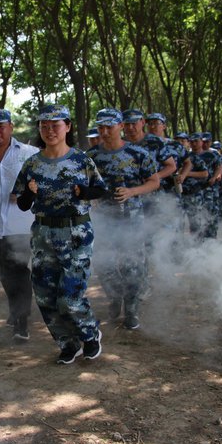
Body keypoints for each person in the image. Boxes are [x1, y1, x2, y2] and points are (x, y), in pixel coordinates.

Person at [13, 104, 105, 365]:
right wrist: (30, 192)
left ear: (68, 127)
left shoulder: (81, 160)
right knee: (45, 293)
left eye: (55, 125)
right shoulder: (32, 163)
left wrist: (84, 193)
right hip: (43, 233)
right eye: (44, 126)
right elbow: (22, 203)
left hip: (76, 231)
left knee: (70, 294)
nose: (49, 130)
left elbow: (100, 189)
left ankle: (89, 334)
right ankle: (67, 343)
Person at [87, 108, 160, 329]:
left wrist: (132, 192)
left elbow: (154, 181)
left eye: (110, 126)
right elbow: (82, 186)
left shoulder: (138, 154)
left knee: (132, 265)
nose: (105, 131)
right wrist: (92, 198)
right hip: (102, 220)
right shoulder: (90, 157)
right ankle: (114, 298)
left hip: (132, 219)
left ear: (120, 126)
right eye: (101, 127)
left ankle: (132, 309)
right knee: (104, 264)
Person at [0, 109, 39, 342]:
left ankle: (21, 323)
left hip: (21, 227)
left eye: (1, 126)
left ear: (11, 127)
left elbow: (44, 185)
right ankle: (17, 309)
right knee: (6, 275)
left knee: (19, 273)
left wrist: (27, 193)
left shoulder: (30, 154)